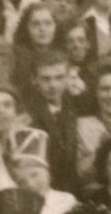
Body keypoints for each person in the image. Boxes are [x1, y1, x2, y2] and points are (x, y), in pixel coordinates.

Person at [25, 49, 79, 194]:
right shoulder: (27, 116)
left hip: (74, 190)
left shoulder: (75, 108)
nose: (53, 84)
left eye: (59, 77)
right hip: (44, 192)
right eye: (46, 79)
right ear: (35, 80)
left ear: (68, 78)